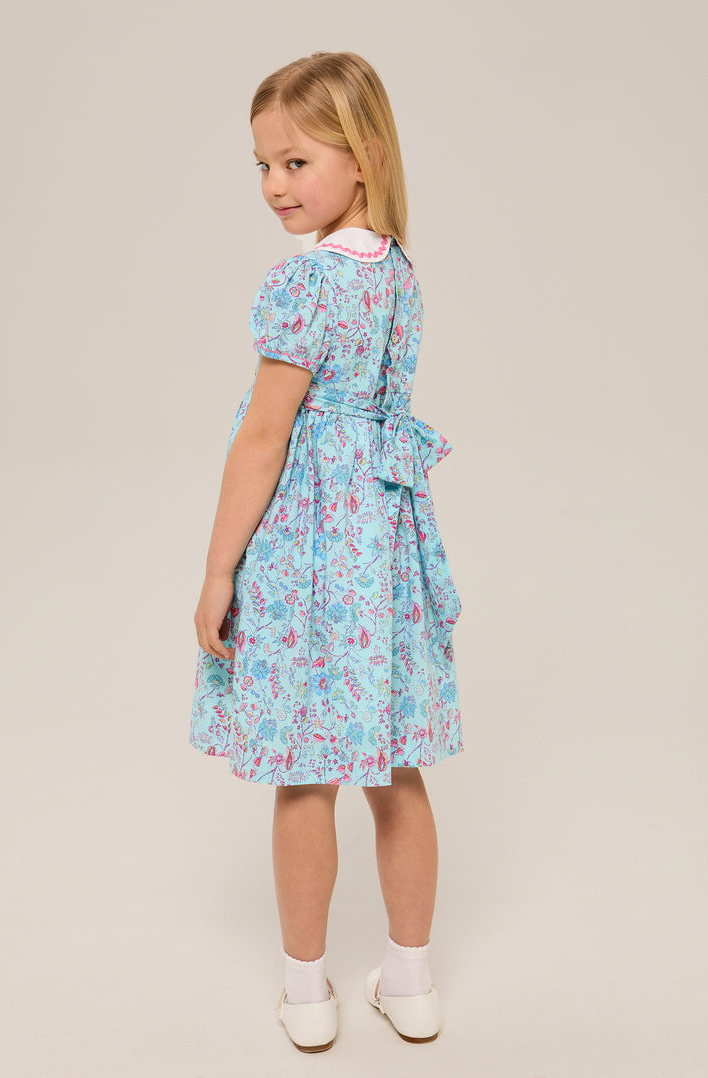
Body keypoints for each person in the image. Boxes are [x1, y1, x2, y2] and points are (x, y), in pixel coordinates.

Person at [190, 51, 463, 1052]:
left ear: (364, 156)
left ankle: (307, 993)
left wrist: (219, 568)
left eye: (296, 162)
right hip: (382, 548)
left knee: (306, 774)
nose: (274, 184)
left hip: (310, 552)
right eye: (262, 165)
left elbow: (265, 439)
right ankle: (410, 981)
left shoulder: (304, 284)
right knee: (394, 768)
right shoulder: (395, 272)